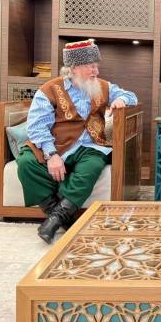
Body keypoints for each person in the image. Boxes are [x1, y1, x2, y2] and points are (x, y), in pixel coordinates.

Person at [16, 39, 138, 244]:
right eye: (91, 66)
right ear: (73, 68)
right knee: (26, 163)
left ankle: (54, 220)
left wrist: (121, 100)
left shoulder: (103, 86)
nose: (96, 71)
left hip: (90, 145)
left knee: (93, 165)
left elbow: (130, 95)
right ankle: (61, 218)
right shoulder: (49, 89)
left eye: (96, 66)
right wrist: (52, 155)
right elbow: (37, 126)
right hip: (57, 144)